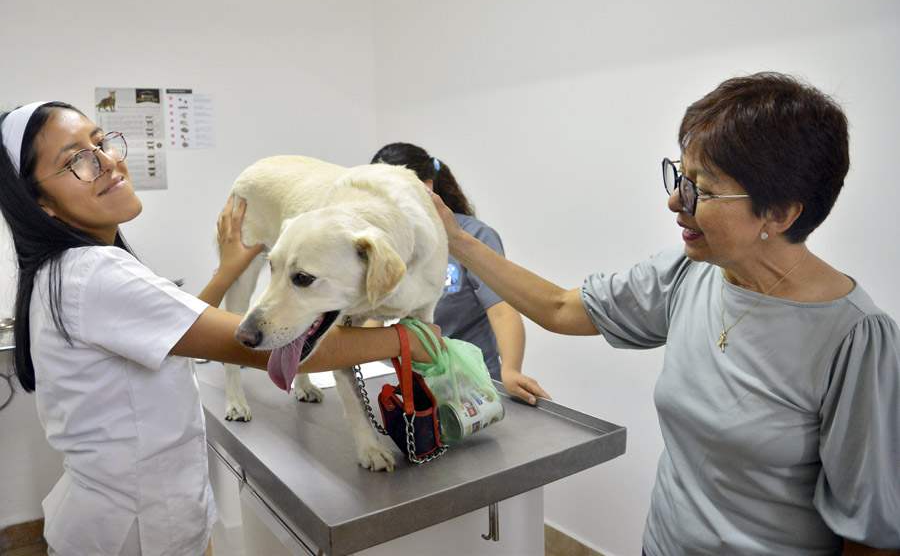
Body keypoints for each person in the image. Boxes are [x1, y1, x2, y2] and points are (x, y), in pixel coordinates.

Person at [427, 74, 900, 555]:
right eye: (681, 177)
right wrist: (458, 239)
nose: (676, 202)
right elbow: (562, 308)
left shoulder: (854, 340)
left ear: (780, 215)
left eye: (702, 191)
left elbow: (871, 532)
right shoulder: (690, 273)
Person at [0, 101, 438, 556]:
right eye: (77, 160)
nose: (109, 160)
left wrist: (229, 268)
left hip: (138, 514)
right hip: (134, 532)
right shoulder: (96, 275)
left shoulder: (69, 270)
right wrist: (410, 337)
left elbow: (177, 327)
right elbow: (281, 349)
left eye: (101, 141)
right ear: (41, 203)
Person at [372, 142, 550, 405]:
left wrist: (511, 369)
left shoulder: (472, 235)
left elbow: (502, 310)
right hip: (413, 384)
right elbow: (373, 317)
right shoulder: (389, 241)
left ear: (426, 187)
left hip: (472, 385)